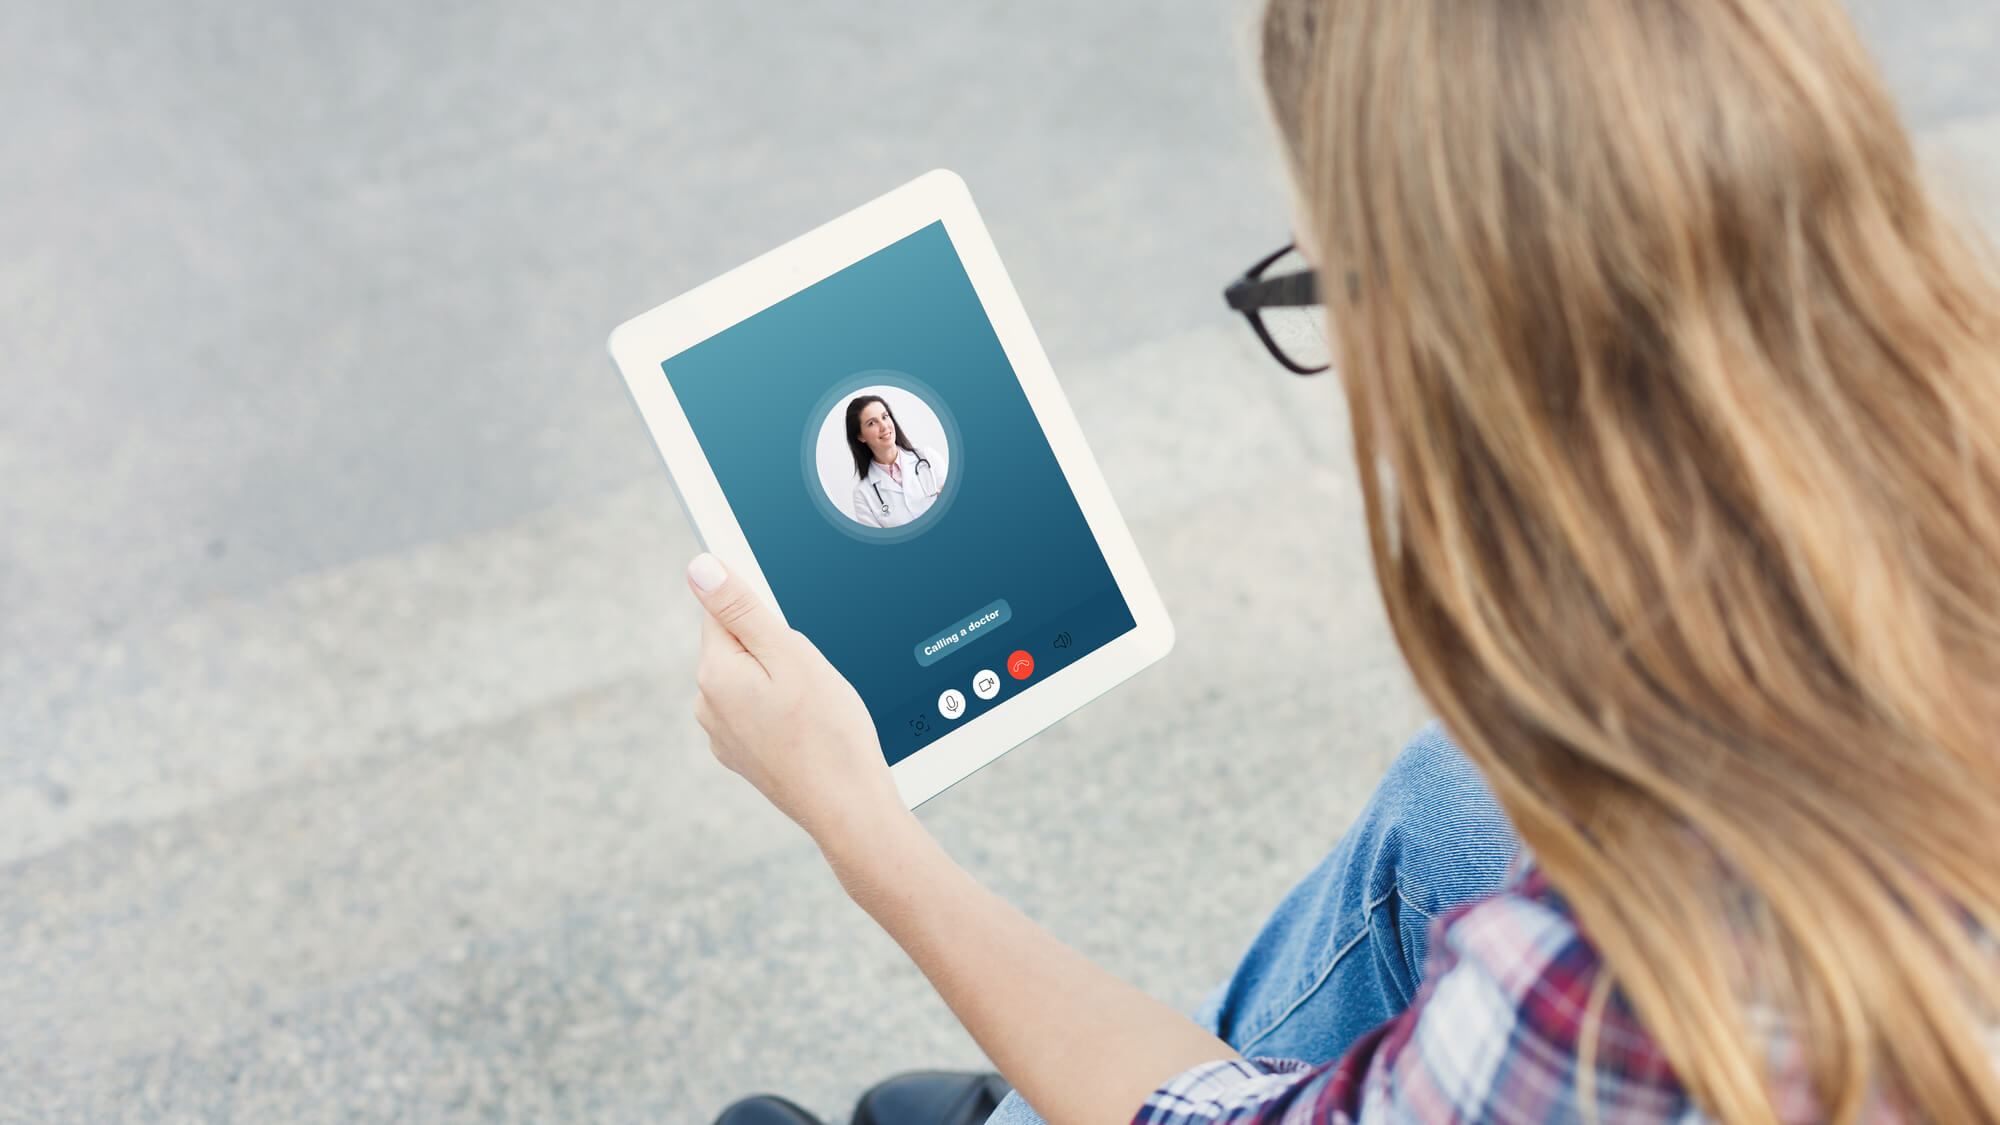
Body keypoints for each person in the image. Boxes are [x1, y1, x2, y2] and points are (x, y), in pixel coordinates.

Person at [689, 0, 2000, 1120]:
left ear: (1452, 327)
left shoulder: (1632, 984)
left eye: (1327, 286)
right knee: (1457, 795)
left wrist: (861, 829)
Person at [846, 394, 946, 529]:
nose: (884, 426)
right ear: (860, 436)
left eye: (885, 417)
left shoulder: (928, 458)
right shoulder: (863, 494)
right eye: (872, 423)